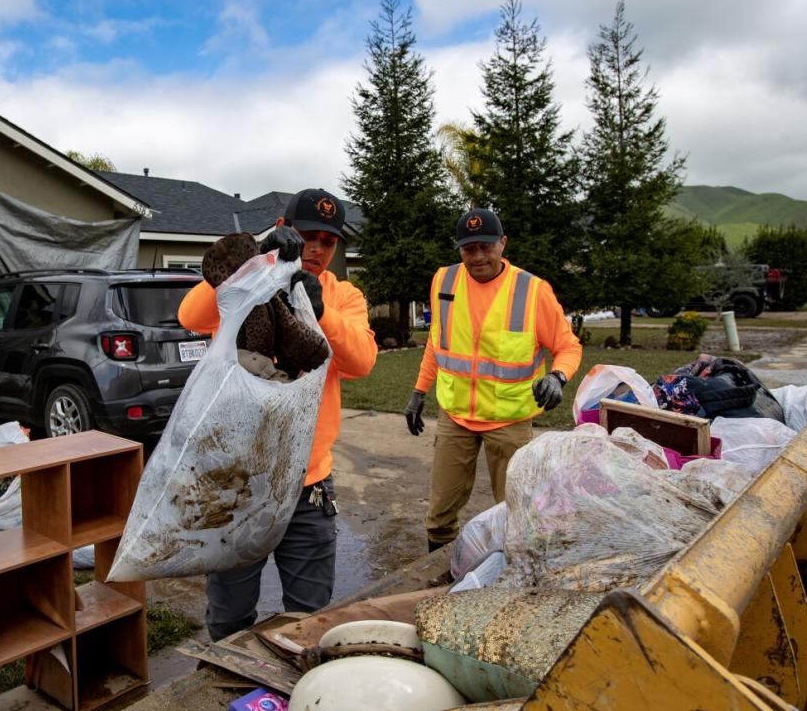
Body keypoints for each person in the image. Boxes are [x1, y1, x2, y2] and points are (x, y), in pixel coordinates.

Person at [178, 188, 378, 641]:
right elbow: (190, 315)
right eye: (307, 236)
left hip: (307, 485)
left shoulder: (343, 295)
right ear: (284, 227)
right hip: (239, 483)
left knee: (310, 618)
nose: (317, 249)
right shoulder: (247, 280)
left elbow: (362, 361)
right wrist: (256, 257)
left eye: (328, 242)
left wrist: (321, 312)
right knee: (229, 615)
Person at [403, 208, 583, 552]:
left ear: (502, 243)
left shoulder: (532, 291)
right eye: (469, 249)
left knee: (515, 512)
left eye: (486, 246)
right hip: (455, 416)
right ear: (460, 250)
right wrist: (418, 391)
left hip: (509, 420)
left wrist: (558, 377)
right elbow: (437, 342)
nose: (478, 257)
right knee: (439, 514)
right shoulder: (444, 280)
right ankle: (442, 581)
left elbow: (567, 346)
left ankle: (511, 580)